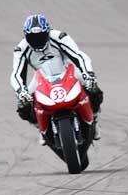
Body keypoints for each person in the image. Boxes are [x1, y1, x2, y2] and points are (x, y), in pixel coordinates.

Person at [10, 14, 103, 144]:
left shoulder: (59, 37)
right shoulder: (21, 49)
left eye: (41, 36)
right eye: (33, 37)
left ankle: (94, 118)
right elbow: (16, 74)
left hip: (67, 69)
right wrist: (21, 92)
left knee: (93, 88)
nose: (37, 41)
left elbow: (79, 56)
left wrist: (89, 75)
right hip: (41, 77)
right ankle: (40, 127)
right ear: (26, 36)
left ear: (48, 32)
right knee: (23, 106)